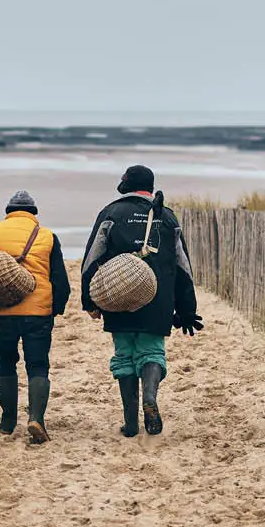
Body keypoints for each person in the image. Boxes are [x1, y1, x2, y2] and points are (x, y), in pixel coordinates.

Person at [80, 165, 203, 437]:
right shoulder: (167, 218)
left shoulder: (110, 213)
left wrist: (89, 300)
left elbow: (91, 258)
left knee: (124, 355)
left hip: (116, 294)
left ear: (127, 185)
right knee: (152, 352)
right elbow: (183, 268)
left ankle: (131, 423)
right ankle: (150, 398)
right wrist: (186, 309)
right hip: (157, 298)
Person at [0, 190, 72, 443]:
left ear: (9, 211)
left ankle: (8, 421)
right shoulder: (47, 236)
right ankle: (36, 419)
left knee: (6, 363)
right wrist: (56, 308)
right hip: (38, 313)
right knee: (38, 365)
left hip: (4, 312)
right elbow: (60, 279)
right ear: (34, 214)